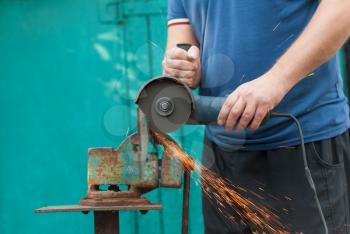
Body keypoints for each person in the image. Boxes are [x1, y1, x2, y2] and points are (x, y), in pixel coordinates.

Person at [163, 1, 350, 233]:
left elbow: (343, 9)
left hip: (302, 142)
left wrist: (277, 80)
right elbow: (184, 44)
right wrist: (182, 67)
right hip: (222, 153)